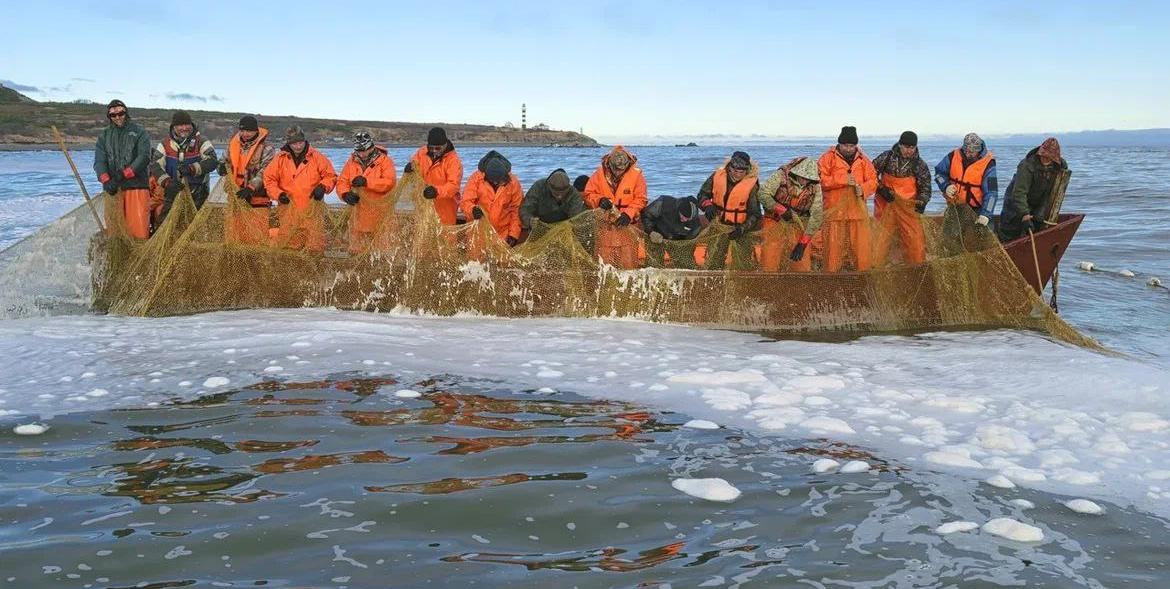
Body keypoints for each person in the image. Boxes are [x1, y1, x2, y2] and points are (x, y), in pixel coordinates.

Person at [262, 126, 337, 251]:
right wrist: (278, 194)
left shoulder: (317, 157)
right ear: (288, 143)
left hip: (312, 211)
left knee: (315, 248)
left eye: (300, 142)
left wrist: (323, 187)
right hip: (288, 211)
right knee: (289, 247)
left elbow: (331, 176)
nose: (298, 146)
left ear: (305, 141)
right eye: (294, 143)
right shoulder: (279, 159)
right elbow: (269, 179)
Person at [818, 126, 877, 272]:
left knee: (861, 249)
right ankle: (831, 276)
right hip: (834, 213)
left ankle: (863, 275)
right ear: (839, 143)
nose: (849, 149)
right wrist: (842, 179)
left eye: (852, 145)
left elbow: (874, 181)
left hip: (857, 213)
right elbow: (820, 180)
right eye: (846, 145)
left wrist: (863, 189)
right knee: (833, 250)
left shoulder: (864, 160)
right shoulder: (827, 158)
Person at [93, 99, 152, 239]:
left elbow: (143, 157)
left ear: (126, 113)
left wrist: (123, 175)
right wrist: (106, 181)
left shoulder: (139, 132)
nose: (118, 117)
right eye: (113, 115)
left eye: (121, 113)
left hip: (136, 187)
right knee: (115, 232)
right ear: (109, 117)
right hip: (113, 189)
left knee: (138, 231)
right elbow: (99, 162)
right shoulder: (104, 136)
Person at [872, 131, 932, 265]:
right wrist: (881, 189)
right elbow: (870, 173)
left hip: (908, 209)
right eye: (905, 147)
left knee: (915, 240)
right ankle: (875, 268)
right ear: (899, 145)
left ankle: (916, 268)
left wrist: (922, 201)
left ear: (916, 147)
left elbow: (926, 187)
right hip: (886, 207)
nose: (909, 150)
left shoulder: (919, 165)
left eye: (912, 147)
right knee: (879, 241)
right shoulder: (887, 157)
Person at [583, 146, 648, 268]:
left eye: (621, 170)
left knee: (629, 267)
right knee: (603, 268)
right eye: (616, 170)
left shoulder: (637, 175)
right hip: (604, 228)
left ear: (628, 164)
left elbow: (641, 199)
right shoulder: (598, 174)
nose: (619, 172)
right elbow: (588, 195)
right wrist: (599, 200)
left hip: (628, 227)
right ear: (610, 165)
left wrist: (629, 213)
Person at [149, 110, 218, 224]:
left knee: (194, 225)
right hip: (172, 190)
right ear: (174, 127)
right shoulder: (164, 144)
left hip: (198, 192)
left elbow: (212, 160)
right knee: (165, 223)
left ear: (191, 125)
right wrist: (166, 182)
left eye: (187, 124)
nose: (184, 128)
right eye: (180, 125)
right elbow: (155, 165)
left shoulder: (201, 141)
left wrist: (192, 168)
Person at [757, 156, 824, 272]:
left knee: (800, 261)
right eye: (802, 177)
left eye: (808, 178)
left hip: (798, 222)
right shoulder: (781, 176)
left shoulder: (816, 187)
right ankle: (767, 282)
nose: (805, 180)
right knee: (769, 258)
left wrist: (803, 243)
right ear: (796, 172)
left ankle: (797, 285)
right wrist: (781, 210)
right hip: (774, 220)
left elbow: (816, 215)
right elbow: (763, 194)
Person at [697, 151, 761, 270]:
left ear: (747, 171)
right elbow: (701, 195)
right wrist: (708, 206)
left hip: (741, 228)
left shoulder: (752, 184)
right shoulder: (717, 176)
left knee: (743, 263)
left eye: (742, 172)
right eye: (735, 170)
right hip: (718, 225)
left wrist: (742, 228)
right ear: (730, 168)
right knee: (713, 260)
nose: (738, 174)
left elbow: (755, 214)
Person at [336, 131, 397, 252]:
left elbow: (389, 183)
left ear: (372, 147)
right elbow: (342, 181)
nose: (362, 154)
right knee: (356, 250)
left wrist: (367, 182)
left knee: (381, 251)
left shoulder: (385, 161)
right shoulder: (351, 162)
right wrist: (345, 194)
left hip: (380, 213)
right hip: (358, 213)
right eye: (359, 151)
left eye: (364, 150)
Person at [999, 137, 1069, 241]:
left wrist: (1039, 213)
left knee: (1037, 228)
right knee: (1010, 232)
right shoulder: (1026, 165)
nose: (1046, 160)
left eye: (1049, 158)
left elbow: (1052, 190)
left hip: (1036, 203)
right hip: (1015, 203)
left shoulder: (1057, 167)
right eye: (1044, 156)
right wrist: (1025, 214)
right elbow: (1019, 193)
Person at [220, 115, 275, 245]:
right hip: (235, 197)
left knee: (257, 238)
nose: (245, 134)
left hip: (257, 198)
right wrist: (220, 167)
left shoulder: (267, 148)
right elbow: (223, 161)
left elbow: (266, 172)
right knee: (234, 235)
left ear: (256, 131)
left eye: (249, 131)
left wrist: (251, 188)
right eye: (242, 130)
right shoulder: (233, 145)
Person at [460, 150, 523, 246]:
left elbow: (516, 209)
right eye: (499, 182)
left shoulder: (513, 182)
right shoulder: (476, 178)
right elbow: (465, 202)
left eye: (504, 180)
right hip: (478, 231)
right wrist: (473, 210)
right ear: (490, 179)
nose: (502, 183)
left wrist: (513, 234)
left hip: (502, 233)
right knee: (475, 261)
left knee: (502, 260)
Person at [934, 132, 997, 227]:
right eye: (965, 150)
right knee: (951, 235)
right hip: (955, 206)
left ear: (978, 151)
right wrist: (946, 186)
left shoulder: (988, 164)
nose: (967, 154)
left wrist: (986, 214)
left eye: (971, 152)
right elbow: (938, 174)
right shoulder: (952, 156)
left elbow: (992, 193)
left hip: (978, 209)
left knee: (984, 232)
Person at [406, 127, 463, 225]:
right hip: (423, 204)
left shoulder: (454, 161)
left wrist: (437, 191)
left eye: (437, 148)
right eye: (431, 147)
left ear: (445, 144)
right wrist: (409, 167)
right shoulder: (422, 152)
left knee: (446, 238)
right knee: (423, 236)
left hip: (445, 208)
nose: (434, 151)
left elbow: (453, 186)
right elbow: (414, 163)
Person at [640, 195, 703, 268]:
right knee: (654, 265)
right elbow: (646, 215)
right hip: (656, 236)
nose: (684, 220)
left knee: (686, 265)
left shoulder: (695, 225)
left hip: (677, 242)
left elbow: (690, 243)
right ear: (679, 210)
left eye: (687, 219)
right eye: (683, 216)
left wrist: (683, 249)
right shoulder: (663, 203)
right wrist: (650, 232)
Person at [520, 169, 586, 229]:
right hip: (539, 226)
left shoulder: (573, 193)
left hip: (563, 227)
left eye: (563, 194)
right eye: (556, 194)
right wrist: (530, 221)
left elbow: (577, 216)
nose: (560, 197)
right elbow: (525, 210)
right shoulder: (539, 187)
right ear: (549, 187)